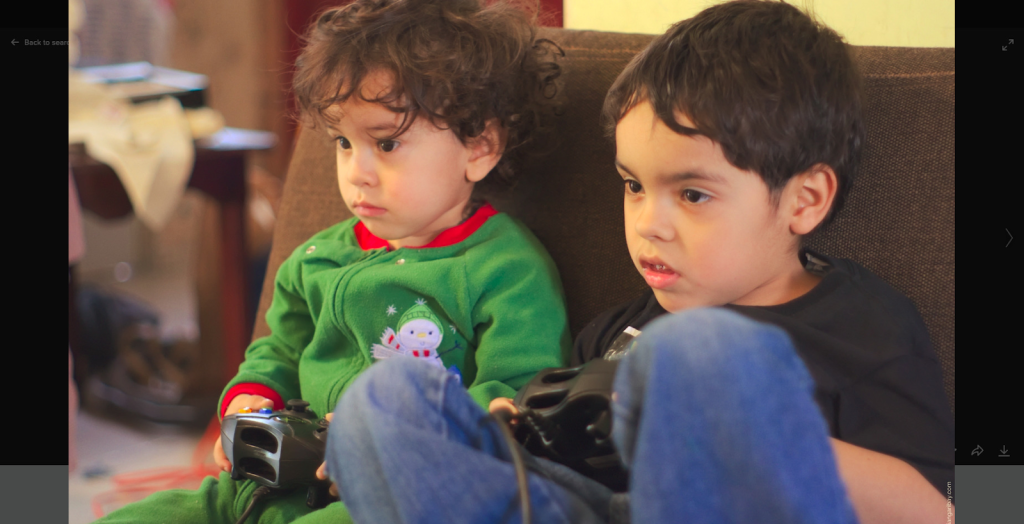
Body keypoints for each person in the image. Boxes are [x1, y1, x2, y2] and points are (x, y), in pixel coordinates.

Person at [323, 1, 955, 523]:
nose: (648, 224)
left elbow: (944, 509)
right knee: (384, 400)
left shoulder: (863, 327)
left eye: (693, 194)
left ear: (804, 200)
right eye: (633, 185)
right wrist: (504, 431)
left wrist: (745, 427)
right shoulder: (619, 329)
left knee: (698, 352)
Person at [95, 0, 568, 522]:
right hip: (265, 486)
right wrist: (250, 399)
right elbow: (276, 350)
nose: (356, 172)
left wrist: (386, 442)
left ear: (480, 146)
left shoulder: (504, 268)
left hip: (381, 497)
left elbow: (517, 396)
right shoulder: (318, 257)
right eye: (344, 142)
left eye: (386, 143)